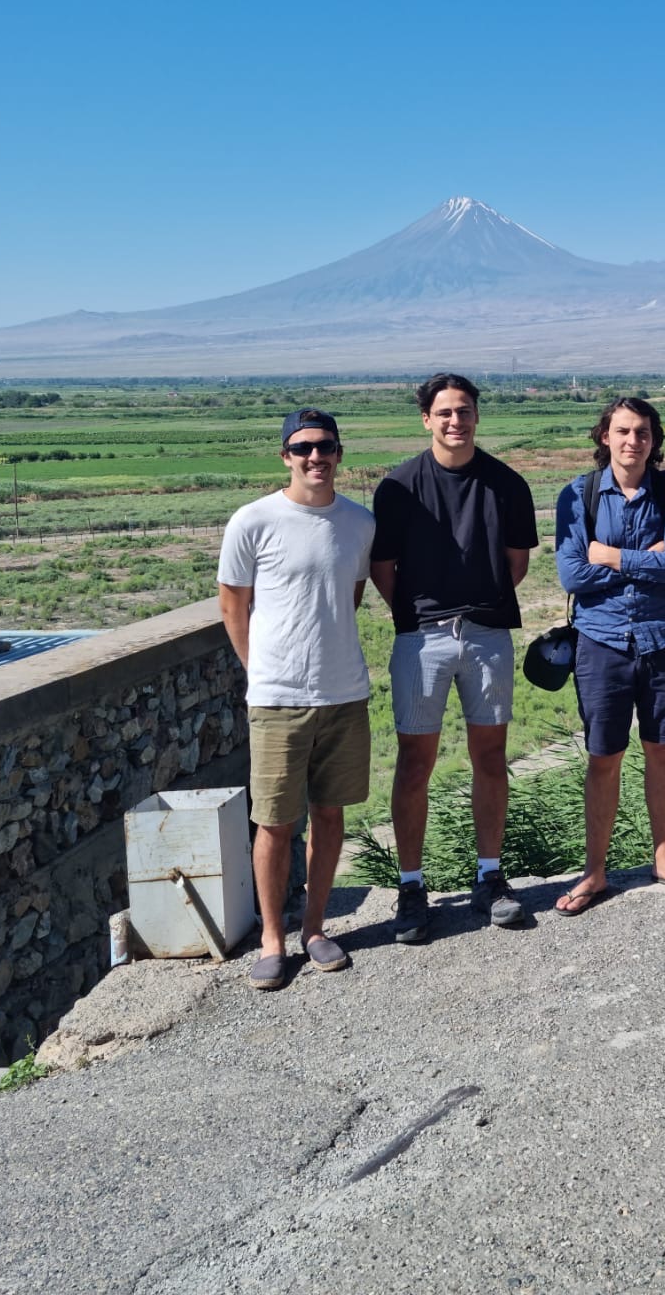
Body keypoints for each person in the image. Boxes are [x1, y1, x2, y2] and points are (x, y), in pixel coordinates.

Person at [371, 373, 537, 942]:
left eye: (464, 410)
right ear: (426, 419)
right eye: (444, 412)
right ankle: (411, 886)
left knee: (490, 756)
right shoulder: (398, 487)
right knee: (414, 761)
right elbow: (382, 568)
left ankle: (490, 876)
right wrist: (419, 615)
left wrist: (478, 605)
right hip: (422, 638)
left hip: (488, 634)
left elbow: (516, 564)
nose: (455, 421)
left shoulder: (506, 484)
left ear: (476, 415)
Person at [216, 408, 375, 990]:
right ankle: (271, 940)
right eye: (303, 447)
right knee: (275, 821)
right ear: (285, 455)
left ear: (339, 453)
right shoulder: (253, 520)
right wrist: (259, 669)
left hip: (343, 692)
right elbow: (232, 603)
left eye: (325, 446)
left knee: (330, 814)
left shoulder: (359, 522)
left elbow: (348, 596)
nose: (315, 456)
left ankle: (314, 928)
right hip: (278, 698)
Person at [553, 396, 665, 915]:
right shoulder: (579, 494)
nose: (632, 441)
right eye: (622, 431)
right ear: (605, 436)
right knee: (604, 756)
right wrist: (647, 558)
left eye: (642, 432)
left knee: (663, 750)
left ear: (653, 439)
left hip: (663, 639)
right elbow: (573, 573)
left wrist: (612, 555)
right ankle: (594, 871)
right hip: (601, 641)